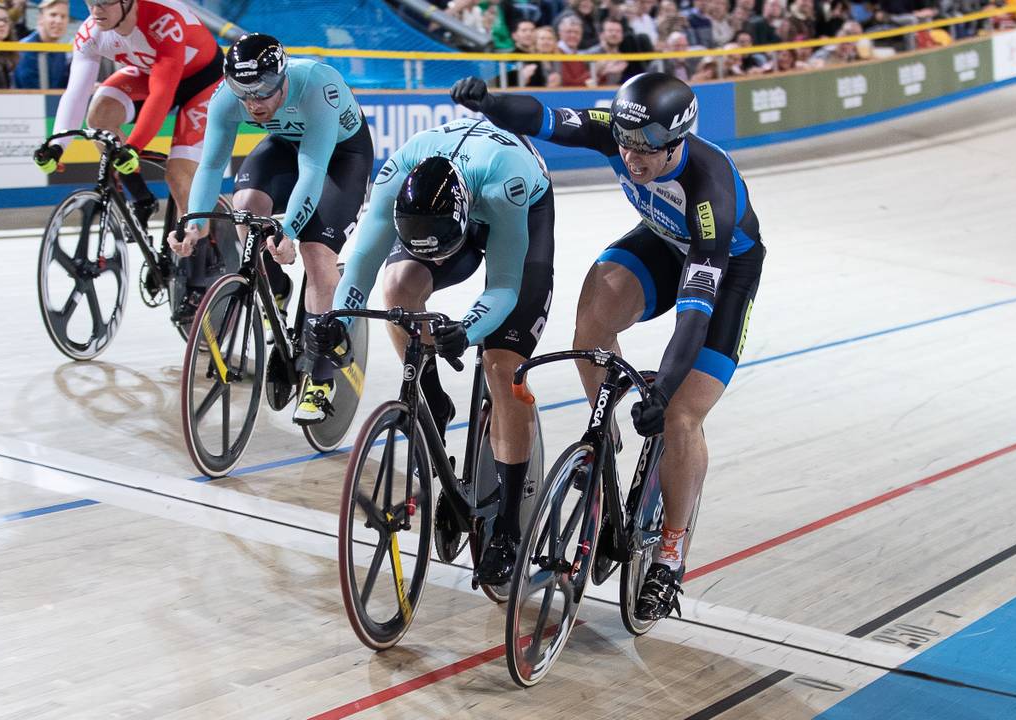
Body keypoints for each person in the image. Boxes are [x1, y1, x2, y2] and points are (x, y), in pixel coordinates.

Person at [450, 73, 765, 621]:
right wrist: (492, 104)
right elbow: (545, 119)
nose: (632, 157)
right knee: (590, 327)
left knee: (683, 416)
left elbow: (696, 309)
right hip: (663, 244)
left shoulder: (710, 189)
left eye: (647, 150)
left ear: (678, 141)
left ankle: (669, 552)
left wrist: (665, 388)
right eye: (625, 144)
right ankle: (604, 439)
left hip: (721, 270)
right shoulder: (622, 131)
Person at [308, 115, 556, 585]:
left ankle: (506, 528)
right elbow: (359, 267)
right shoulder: (395, 177)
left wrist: (466, 328)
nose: (438, 263)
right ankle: (433, 398)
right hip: (441, 215)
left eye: (442, 252)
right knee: (398, 287)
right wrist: (335, 322)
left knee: (502, 367)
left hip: (516, 213)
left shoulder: (508, 184)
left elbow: (503, 287)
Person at [177, 34, 374, 424]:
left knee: (317, 255)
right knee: (245, 207)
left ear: (282, 77)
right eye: (244, 94)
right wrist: (194, 224)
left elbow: (314, 170)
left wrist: (290, 231)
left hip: (341, 157)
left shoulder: (317, 83)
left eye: (264, 93)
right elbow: (212, 165)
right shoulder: (226, 97)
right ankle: (276, 290)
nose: (253, 104)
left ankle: (321, 380)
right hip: (286, 146)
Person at [33, 0, 224, 248]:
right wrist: (57, 145)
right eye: (91, 2)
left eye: (104, 2)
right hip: (151, 73)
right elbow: (76, 93)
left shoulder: (163, 22)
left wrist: (133, 146)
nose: (96, 10)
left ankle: (198, 257)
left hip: (202, 82)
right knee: (100, 118)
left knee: (179, 175)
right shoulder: (91, 32)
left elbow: (161, 95)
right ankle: (141, 198)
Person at [14, 0, 70, 89]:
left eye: (63, 16)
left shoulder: (61, 52)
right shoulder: (24, 49)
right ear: (40, 18)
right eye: (53, 15)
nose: (59, 21)